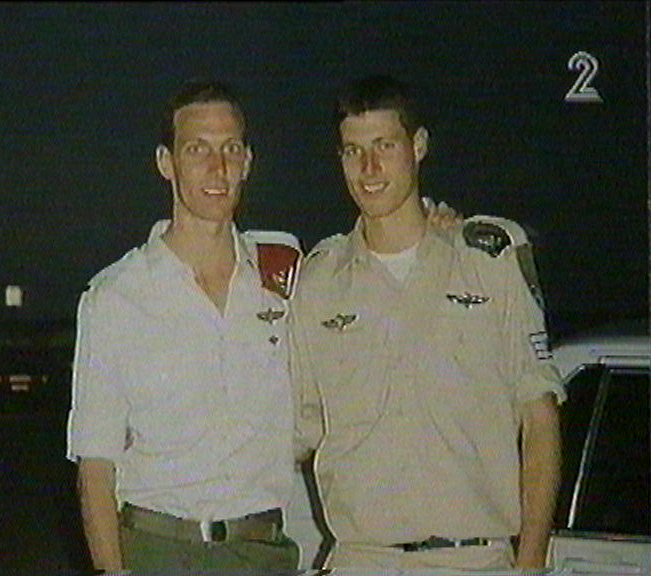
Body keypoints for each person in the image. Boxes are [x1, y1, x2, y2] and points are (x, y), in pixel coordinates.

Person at [290, 74, 564, 573]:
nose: (369, 169)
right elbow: (294, 430)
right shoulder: (319, 280)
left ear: (418, 146)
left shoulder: (488, 260)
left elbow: (539, 418)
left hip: (472, 560)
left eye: (385, 146)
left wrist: (529, 564)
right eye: (353, 151)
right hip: (361, 560)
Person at [66, 80, 302, 576]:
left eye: (230, 149)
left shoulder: (282, 276)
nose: (218, 168)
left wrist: (438, 224)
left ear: (247, 161)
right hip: (159, 551)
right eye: (197, 149)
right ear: (166, 162)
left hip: (264, 554)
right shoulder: (117, 297)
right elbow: (95, 465)